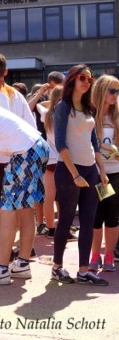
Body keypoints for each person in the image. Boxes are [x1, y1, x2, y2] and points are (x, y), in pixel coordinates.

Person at [0, 106, 48, 285]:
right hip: (35, 146)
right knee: (25, 209)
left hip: (24, 151)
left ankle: (1, 270)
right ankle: (21, 264)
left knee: (7, 209)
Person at [51, 65, 109, 286]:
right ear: (73, 80)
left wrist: (101, 171)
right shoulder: (62, 107)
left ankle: (84, 271)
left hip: (90, 170)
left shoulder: (89, 108)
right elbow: (60, 145)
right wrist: (75, 175)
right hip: (69, 170)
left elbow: (94, 142)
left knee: (88, 220)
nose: (87, 82)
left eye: (90, 79)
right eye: (83, 78)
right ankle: (57, 267)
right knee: (65, 219)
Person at [89, 75, 119, 272]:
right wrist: (102, 147)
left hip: (114, 173)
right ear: (101, 91)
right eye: (112, 90)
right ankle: (94, 255)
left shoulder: (117, 117)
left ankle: (109, 255)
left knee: (112, 216)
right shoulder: (90, 115)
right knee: (94, 217)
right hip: (94, 173)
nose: (115, 95)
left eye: (117, 91)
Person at [36, 86, 65, 238]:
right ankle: (62, 228)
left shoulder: (47, 114)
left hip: (50, 160)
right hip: (65, 160)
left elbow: (39, 105)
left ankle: (51, 229)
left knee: (49, 197)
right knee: (64, 198)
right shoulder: (66, 114)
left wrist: (51, 100)